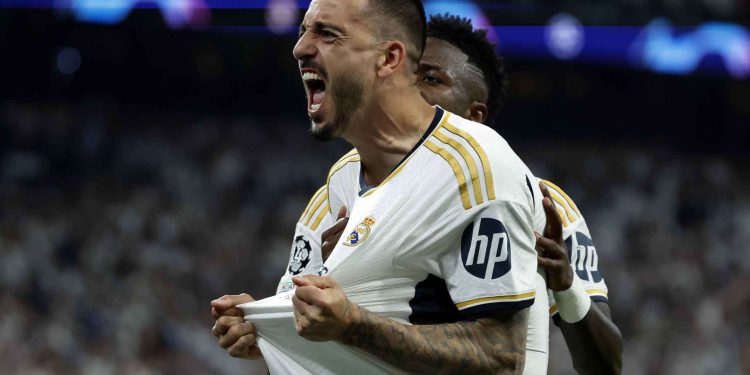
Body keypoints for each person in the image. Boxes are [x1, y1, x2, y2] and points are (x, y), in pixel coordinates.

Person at [212, 0, 544, 373]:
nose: (300, 47)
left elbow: (502, 358)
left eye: (327, 34)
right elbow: (313, 320)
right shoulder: (336, 186)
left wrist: (354, 325)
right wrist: (259, 326)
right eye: (304, 30)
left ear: (389, 59)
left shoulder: (475, 166)